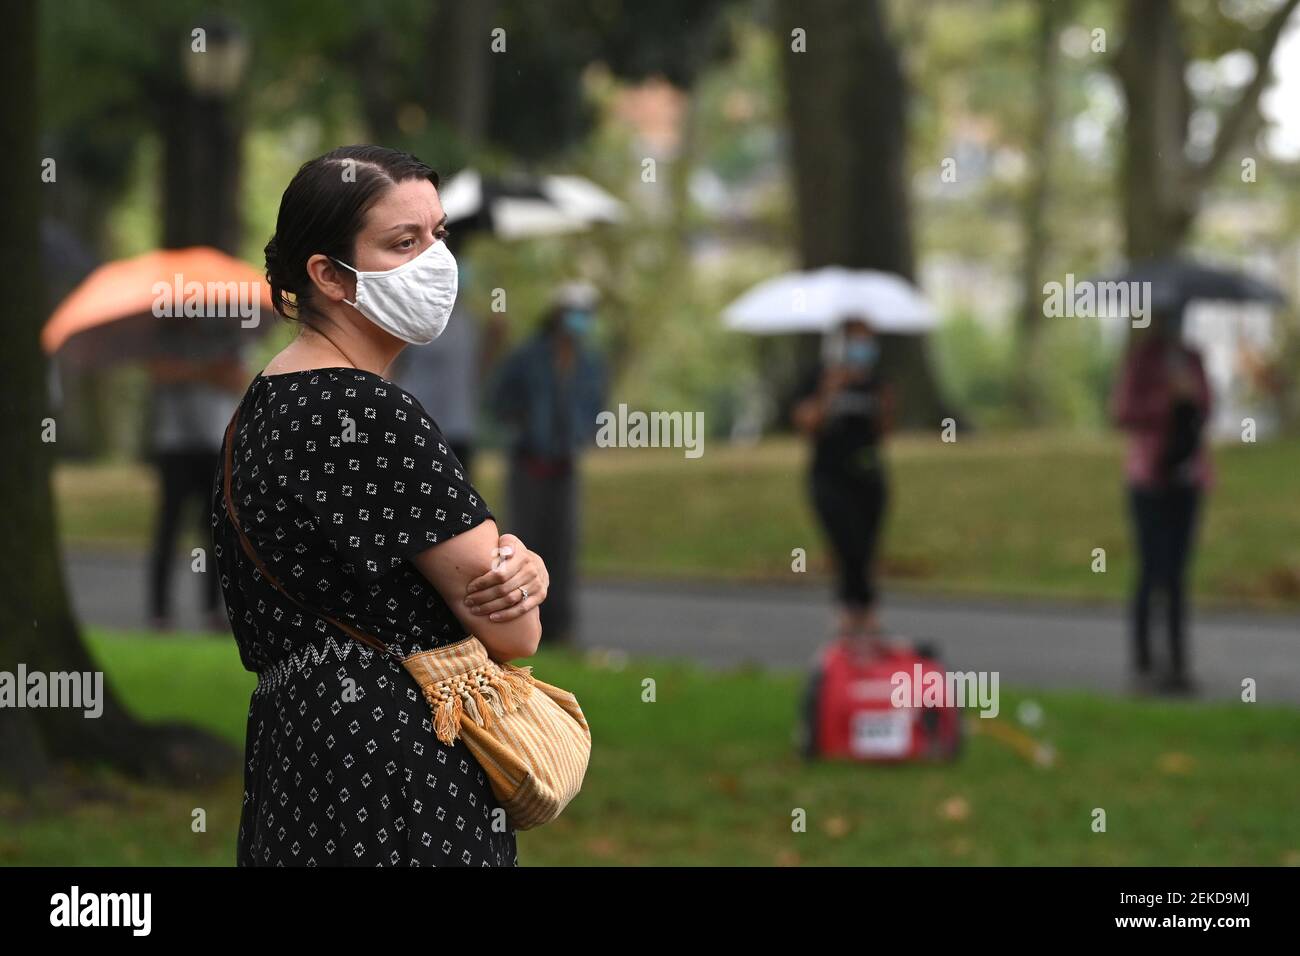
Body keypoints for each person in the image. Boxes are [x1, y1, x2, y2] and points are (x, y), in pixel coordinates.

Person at [211, 144, 554, 867]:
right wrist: (522, 574)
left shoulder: (263, 405)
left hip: (298, 757)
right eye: (403, 242)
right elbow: (515, 630)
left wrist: (513, 564)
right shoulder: (369, 410)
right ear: (330, 276)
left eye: (439, 235)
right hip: (398, 764)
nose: (436, 261)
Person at [485, 284, 607, 648]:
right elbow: (497, 398)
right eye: (573, 311)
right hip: (527, 463)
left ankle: (561, 629)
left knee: (563, 545)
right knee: (525, 544)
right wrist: (522, 424)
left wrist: (582, 434)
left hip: (565, 464)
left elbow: (596, 406)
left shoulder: (589, 362)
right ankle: (520, 624)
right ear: (556, 313)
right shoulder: (528, 356)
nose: (578, 320)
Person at [1109, 302, 1213, 696]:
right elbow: (1122, 411)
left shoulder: (1193, 359)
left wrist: (1190, 398)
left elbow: (1206, 407)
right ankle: (1144, 661)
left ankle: (1178, 662)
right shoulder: (1141, 361)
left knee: (1177, 573)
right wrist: (1165, 402)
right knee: (1151, 568)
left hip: (1188, 475)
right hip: (1149, 478)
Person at [791, 315, 895, 650]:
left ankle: (864, 614)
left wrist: (884, 400)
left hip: (868, 474)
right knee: (844, 543)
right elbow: (806, 423)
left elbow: (885, 429)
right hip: (828, 475)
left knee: (865, 547)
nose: (862, 349)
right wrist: (829, 391)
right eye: (856, 341)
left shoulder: (875, 381)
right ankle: (850, 612)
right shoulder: (820, 377)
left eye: (868, 341)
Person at [145, 338, 245, 632]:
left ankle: (213, 609)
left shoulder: (225, 333)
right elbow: (159, 374)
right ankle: (159, 611)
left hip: (215, 445)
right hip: (174, 447)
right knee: (168, 528)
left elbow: (236, 378)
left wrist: (187, 372)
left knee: (215, 530)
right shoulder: (164, 335)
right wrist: (208, 371)